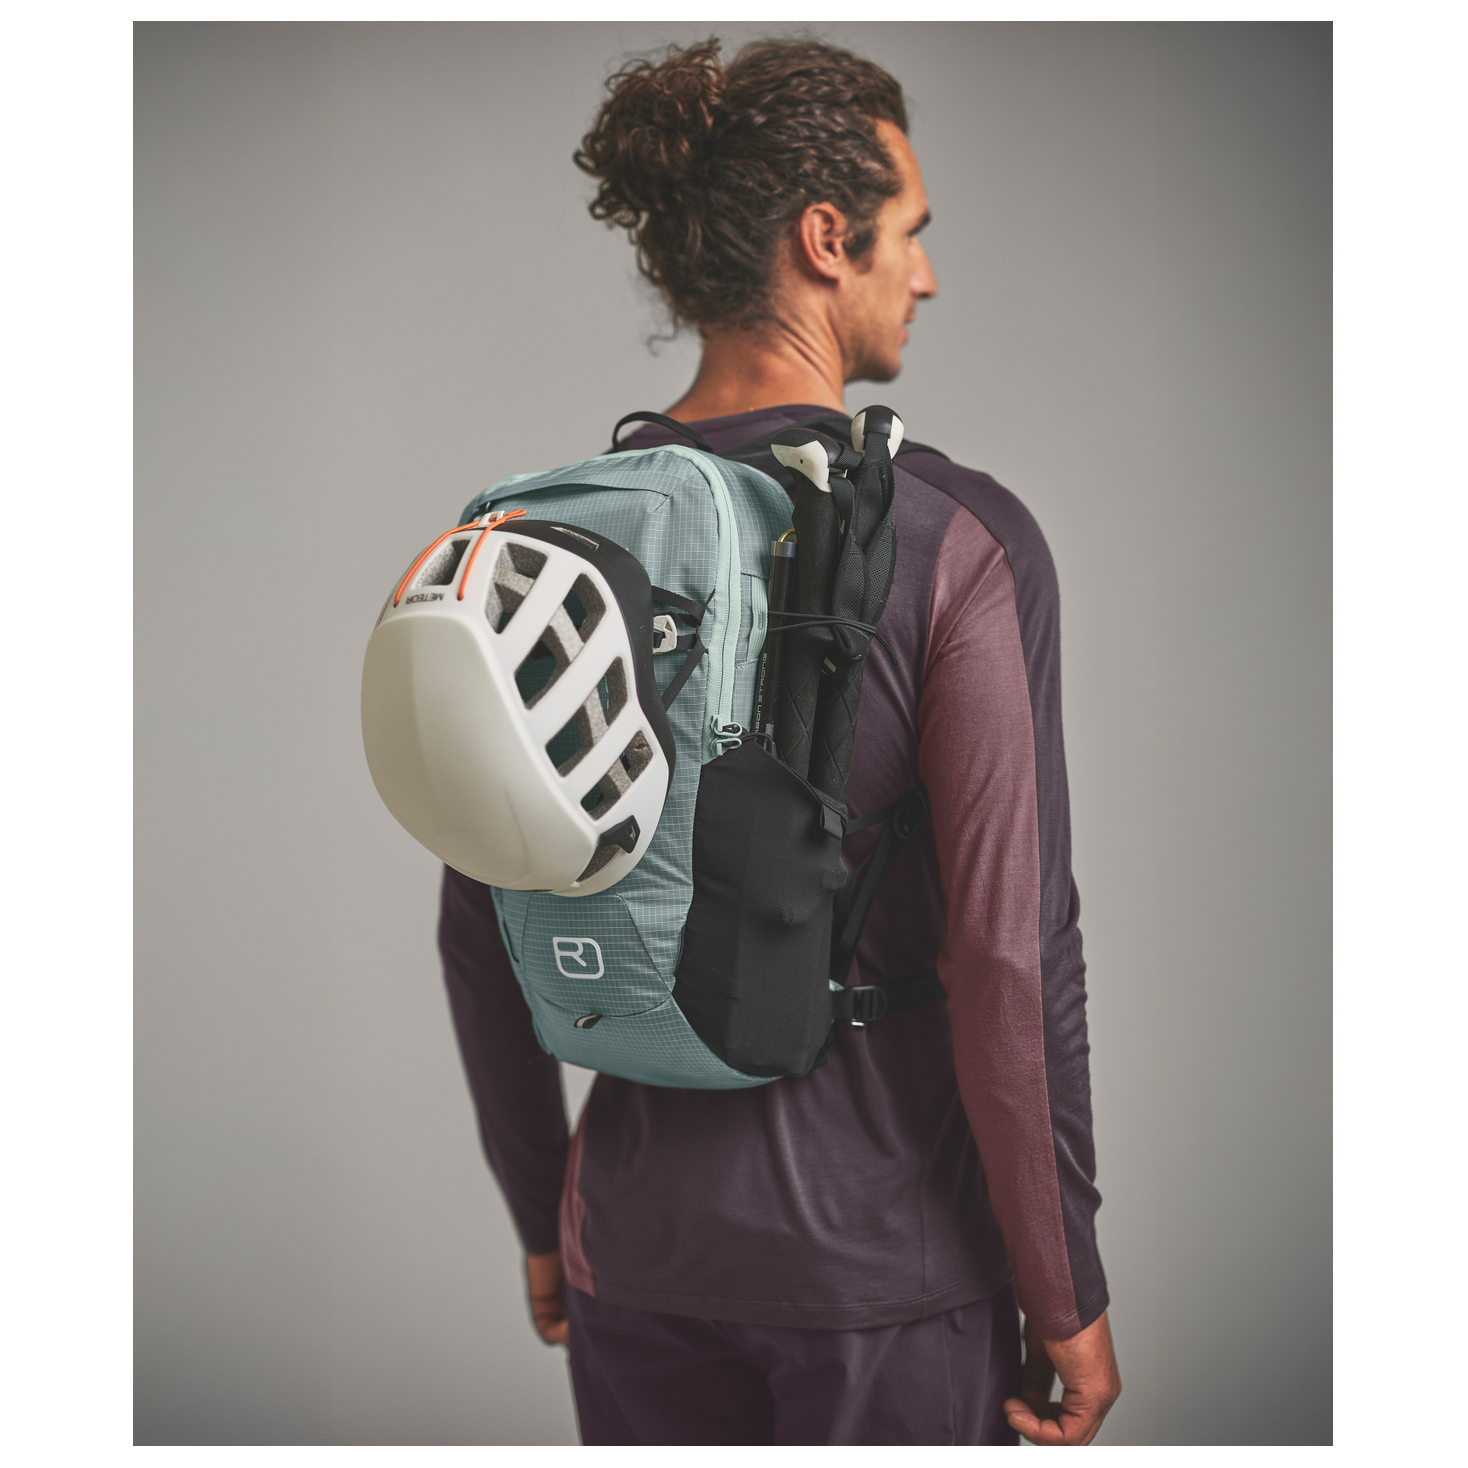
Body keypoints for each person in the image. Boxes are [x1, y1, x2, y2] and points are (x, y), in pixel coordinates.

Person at [438, 36, 1120, 1446]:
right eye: (908, 233)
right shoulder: (956, 542)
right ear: (826, 238)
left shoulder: (533, 546)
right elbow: (1008, 953)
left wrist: (544, 1215)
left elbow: (479, 920)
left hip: (634, 1248)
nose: (924, 276)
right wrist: (1065, 1291)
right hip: (884, 1270)